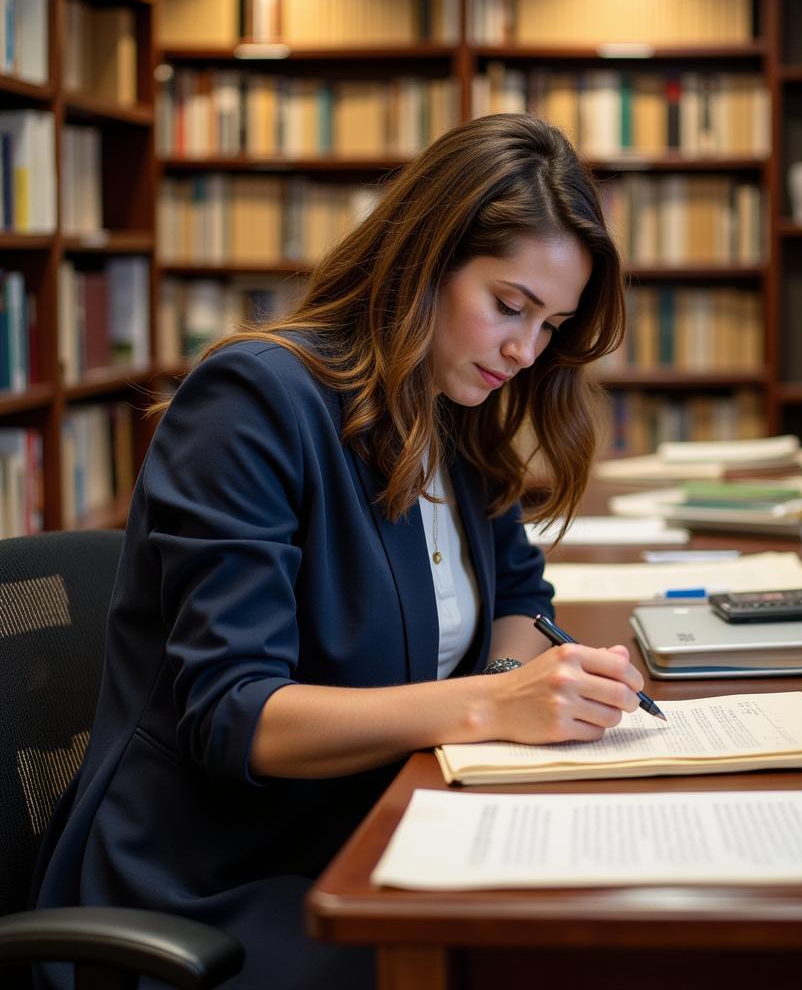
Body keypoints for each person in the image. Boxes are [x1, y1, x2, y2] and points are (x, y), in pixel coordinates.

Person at [34, 113, 647, 989]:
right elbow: (236, 714)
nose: (524, 350)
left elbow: (519, 594)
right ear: (424, 261)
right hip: (215, 882)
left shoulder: (454, 406)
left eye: (550, 325)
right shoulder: (254, 400)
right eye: (508, 306)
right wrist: (489, 705)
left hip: (375, 831)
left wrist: (529, 696)